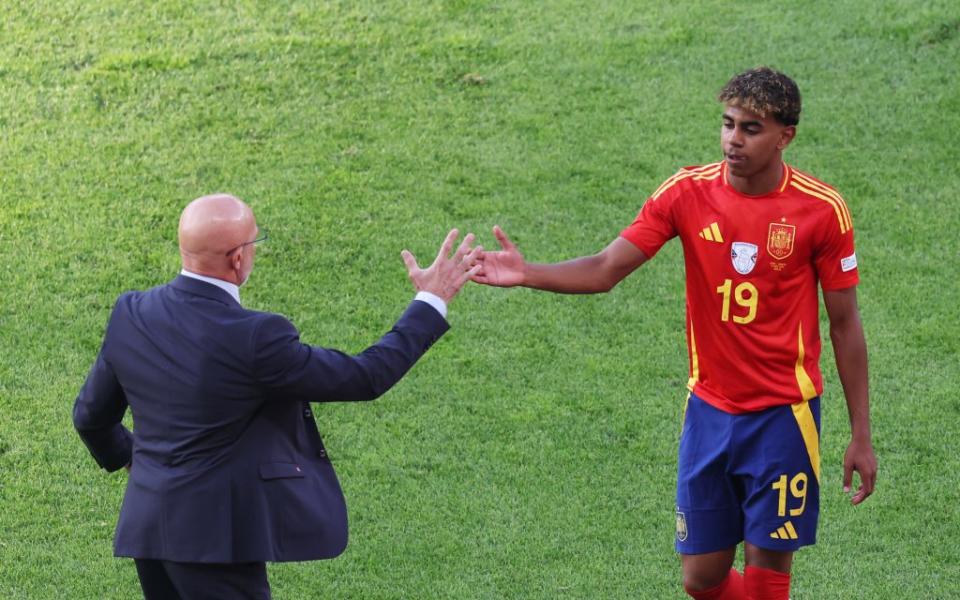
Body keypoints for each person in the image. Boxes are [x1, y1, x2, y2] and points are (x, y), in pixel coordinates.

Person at [472, 67, 877, 600]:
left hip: (784, 417)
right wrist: (529, 273)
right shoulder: (686, 192)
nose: (734, 139)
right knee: (700, 580)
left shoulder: (820, 210)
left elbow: (845, 327)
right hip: (708, 411)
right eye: (728, 124)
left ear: (786, 135)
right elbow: (604, 269)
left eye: (751, 129)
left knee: (766, 581)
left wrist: (861, 434)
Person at [73, 193, 481, 599]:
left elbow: (90, 416)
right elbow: (364, 377)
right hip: (217, 545)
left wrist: (133, 460)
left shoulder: (131, 312)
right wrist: (431, 300)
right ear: (238, 258)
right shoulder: (255, 336)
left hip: (149, 533)